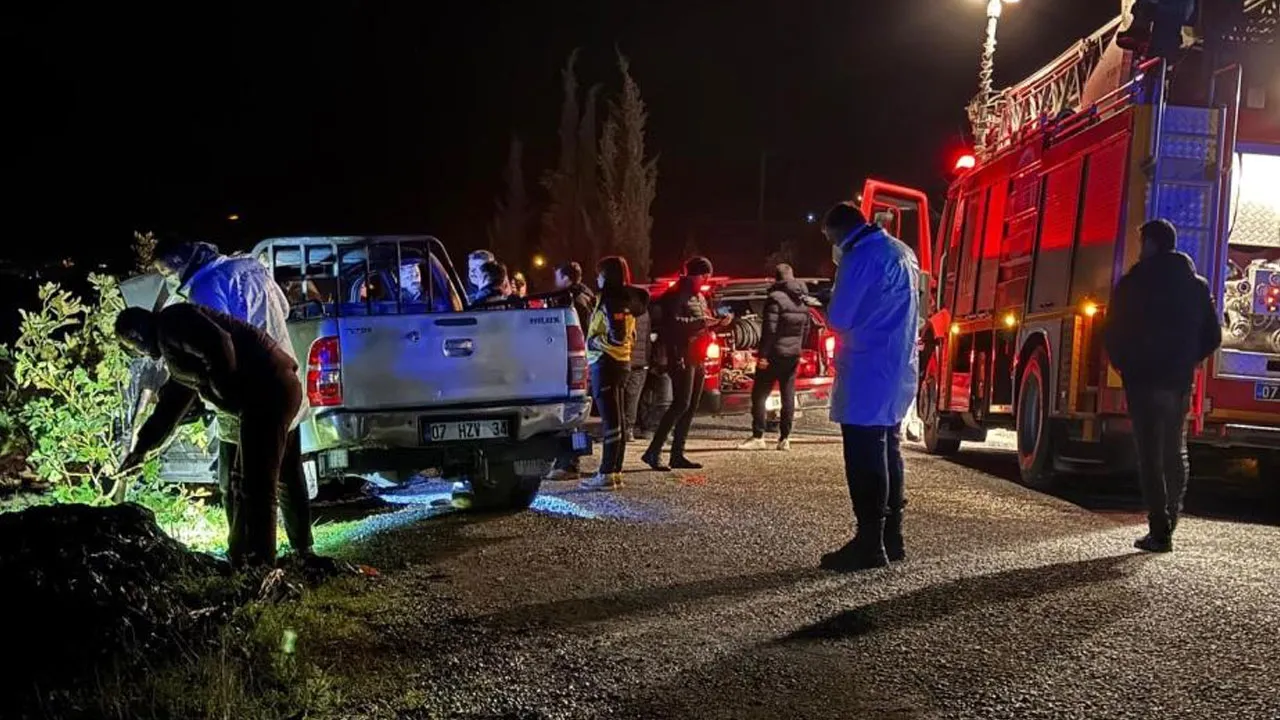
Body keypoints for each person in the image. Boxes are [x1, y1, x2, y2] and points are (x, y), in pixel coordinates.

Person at [149, 238, 315, 560]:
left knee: (239, 483)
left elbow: (216, 347)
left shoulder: (205, 288)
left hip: (248, 396)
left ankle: (244, 555)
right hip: (285, 381)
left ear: (183, 265)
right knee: (288, 474)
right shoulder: (250, 267)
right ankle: (302, 549)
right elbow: (284, 308)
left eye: (167, 272)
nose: (167, 280)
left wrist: (219, 391)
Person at [116, 304, 302, 569]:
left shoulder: (173, 321)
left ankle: (262, 566)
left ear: (137, 336)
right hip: (260, 397)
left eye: (133, 347)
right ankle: (243, 559)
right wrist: (141, 448)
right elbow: (171, 405)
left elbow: (219, 342)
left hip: (268, 392)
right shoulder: (173, 346)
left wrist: (224, 388)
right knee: (243, 483)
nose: (139, 353)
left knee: (258, 487)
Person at [1104, 219, 1221, 553]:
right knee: (1173, 451)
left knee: (1149, 455)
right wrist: (1189, 360)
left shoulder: (1133, 283)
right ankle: (1171, 516)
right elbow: (1213, 336)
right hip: (1176, 381)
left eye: (1143, 242)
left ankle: (1159, 530)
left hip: (1142, 380)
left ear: (1152, 243)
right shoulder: (1196, 286)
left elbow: (1112, 330)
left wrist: (1125, 364)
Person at [820, 202, 920, 572]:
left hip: (867, 365)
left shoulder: (860, 257)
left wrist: (825, 307)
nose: (831, 244)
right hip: (897, 365)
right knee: (889, 448)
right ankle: (892, 537)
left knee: (863, 454)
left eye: (830, 236)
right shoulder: (902, 251)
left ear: (840, 230)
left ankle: (868, 543)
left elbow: (840, 318)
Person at [642, 256, 731, 471]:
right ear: (694, 275)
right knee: (680, 403)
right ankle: (654, 451)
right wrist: (701, 323)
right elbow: (672, 325)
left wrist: (717, 324)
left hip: (698, 354)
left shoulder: (700, 296)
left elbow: (701, 324)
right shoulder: (676, 295)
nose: (707, 279)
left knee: (691, 405)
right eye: (704, 275)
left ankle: (677, 454)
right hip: (681, 354)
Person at [580, 257, 650, 491]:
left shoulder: (612, 300)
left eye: (600, 274)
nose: (597, 278)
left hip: (606, 363)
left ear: (607, 276)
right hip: (621, 363)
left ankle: (607, 472)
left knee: (611, 421)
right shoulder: (628, 299)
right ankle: (615, 471)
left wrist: (594, 341)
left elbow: (618, 334)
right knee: (617, 420)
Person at [738, 264, 811, 452]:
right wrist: (798, 348)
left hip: (774, 355)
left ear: (776, 279)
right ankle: (785, 438)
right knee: (788, 395)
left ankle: (758, 436)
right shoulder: (802, 300)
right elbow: (806, 329)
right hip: (793, 355)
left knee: (760, 394)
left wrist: (763, 355)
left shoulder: (775, 299)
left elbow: (769, 331)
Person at [546, 261, 598, 481]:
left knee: (569, 415)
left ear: (566, 278)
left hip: (572, 363)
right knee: (573, 415)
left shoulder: (573, 301)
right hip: (581, 362)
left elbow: (579, 334)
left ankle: (569, 464)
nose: (555, 282)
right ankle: (569, 462)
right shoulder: (586, 296)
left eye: (558, 277)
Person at [1115, 0, 1196, 60]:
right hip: (1179, 11)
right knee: (1143, 6)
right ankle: (1141, 34)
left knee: (1143, 6)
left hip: (1182, 9)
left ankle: (1141, 34)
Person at [623, 302, 651, 442]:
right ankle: (629, 428)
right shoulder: (644, 312)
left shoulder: (621, 310)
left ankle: (622, 428)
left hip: (621, 359)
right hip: (640, 362)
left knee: (620, 396)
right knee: (633, 397)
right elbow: (646, 339)